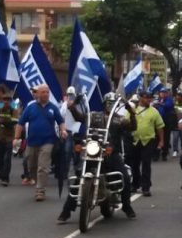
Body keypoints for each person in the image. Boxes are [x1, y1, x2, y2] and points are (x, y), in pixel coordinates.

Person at [58, 93, 137, 222]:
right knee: (79, 177)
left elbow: (133, 127)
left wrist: (132, 113)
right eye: (108, 103)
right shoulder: (94, 115)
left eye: (112, 103)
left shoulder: (120, 119)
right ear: (104, 104)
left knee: (125, 177)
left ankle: (127, 206)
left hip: (112, 153)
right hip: (94, 151)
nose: (110, 106)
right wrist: (72, 108)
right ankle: (66, 211)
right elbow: (80, 117)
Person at [14, 84, 67, 201]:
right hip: (32, 142)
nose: (46, 94)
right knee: (31, 164)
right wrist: (16, 138)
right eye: (43, 92)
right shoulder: (30, 108)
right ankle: (37, 181)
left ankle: (40, 190)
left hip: (48, 141)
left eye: (47, 92)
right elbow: (20, 123)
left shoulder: (53, 108)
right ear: (37, 94)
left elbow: (60, 121)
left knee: (43, 166)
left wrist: (63, 130)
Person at [130, 91, 165, 196]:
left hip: (148, 140)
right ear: (140, 98)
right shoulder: (132, 110)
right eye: (146, 98)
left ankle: (146, 187)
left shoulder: (154, 111)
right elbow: (125, 122)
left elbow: (160, 127)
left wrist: (161, 141)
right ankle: (135, 184)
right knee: (134, 164)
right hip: (134, 140)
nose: (148, 100)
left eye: (150, 98)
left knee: (146, 164)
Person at [0, 92, 19, 186]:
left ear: (10, 101)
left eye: (8, 100)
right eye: (4, 100)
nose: (6, 102)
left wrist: (2, 121)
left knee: (7, 159)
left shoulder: (13, 111)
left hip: (9, 137)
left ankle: (5, 178)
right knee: (0, 158)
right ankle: (1, 173)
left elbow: (13, 122)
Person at [60, 86, 87, 178]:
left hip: (78, 131)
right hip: (68, 131)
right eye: (69, 95)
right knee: (67, 151)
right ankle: (65, 172)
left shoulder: (81, 104)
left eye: (72, 95)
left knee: (77, 153)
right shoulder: (64, 104)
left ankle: (77, 170)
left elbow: (83, 116)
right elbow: (62, 115)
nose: (70, 96)